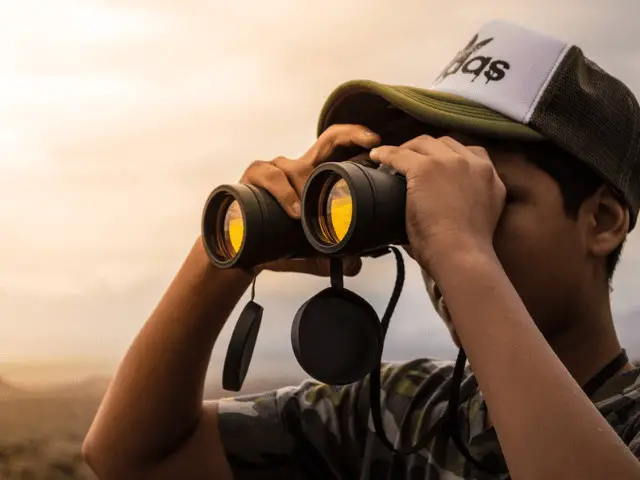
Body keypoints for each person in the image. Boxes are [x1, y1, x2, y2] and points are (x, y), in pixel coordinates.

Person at [82, 19, 640, 480]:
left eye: (486, 194)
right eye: (427, 194)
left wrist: (460, 249)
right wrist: (227, 249)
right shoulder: (403, 413)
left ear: (603, 221)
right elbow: (134, 457)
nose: (435, 230)